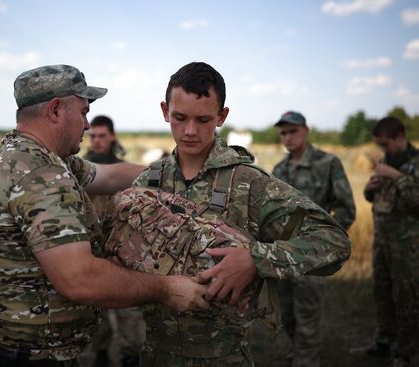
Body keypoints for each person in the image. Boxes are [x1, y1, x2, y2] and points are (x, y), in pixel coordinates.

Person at [0, 64, 209, 367]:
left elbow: (110, 177)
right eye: (83, 112)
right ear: (55, 110)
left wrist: (179, 177)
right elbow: (80, 280)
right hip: (22, 357)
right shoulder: (39, 175)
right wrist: (167, 288)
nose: (87, 125)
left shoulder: (38, 157)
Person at [103, 62, 352, 366]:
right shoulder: (149, 181)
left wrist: (255, 259)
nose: (190, 131)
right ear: (165, 111)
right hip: (156, 353)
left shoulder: (249, 183)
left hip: (224, 357)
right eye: (179, 118)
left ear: (222, 116)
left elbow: (334, 241)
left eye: (204, 119)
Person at [272, 111, 356, 367]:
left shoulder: (328, 163)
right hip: (283, 255)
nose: (288, 137)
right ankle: (299, 352)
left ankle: (306, 360)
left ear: (306, 131)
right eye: (283, 133)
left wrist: (323, 239)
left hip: (312, 258)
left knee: (307, 316)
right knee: (287, 314)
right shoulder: (280, 168)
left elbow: (346, 208)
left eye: (293, 131)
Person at [353, 117, 419, 367]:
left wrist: (396, 176)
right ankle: (384, 340)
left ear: (400, 137)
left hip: (408, 245)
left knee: (407, 297)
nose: (382, 151)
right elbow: (376, 199)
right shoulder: (386, 161)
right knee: (382, 291)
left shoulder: (415, 162)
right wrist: (371, 187)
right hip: (383, 241)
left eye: (386, 144)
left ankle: (406, 350)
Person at [82, 116, 144, 367]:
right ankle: (101, 356)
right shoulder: (81, 173)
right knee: (98, 316)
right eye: (93, 135)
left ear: (112, 137)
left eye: (102, 135)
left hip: (123, 256)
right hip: (93, 256)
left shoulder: (123, 172)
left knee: (129, 314)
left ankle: (131, 357)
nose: (97, 140)